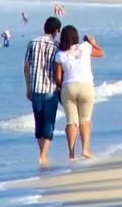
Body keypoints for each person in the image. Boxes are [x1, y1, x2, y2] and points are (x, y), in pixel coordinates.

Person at [53, 25, 104, 161]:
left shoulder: (60, 54)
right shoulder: (85, 47)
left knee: (71, 122)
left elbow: (58, 77)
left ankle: (71, 153)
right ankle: (85, 150)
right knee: (85, 120)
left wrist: (59, 87)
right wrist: (93, 43)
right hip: (86, 86)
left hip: (68, 87)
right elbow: (100, 53)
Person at [22, 16, 62, 167]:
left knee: (38, 122)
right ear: (56, 31)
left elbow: (26, 66)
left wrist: (27, 87)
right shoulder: (57, 46)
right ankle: (43, 155)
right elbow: (59, 68)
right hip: (51, 88)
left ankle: (42, 154)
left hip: (35, 88)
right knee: (49, 122)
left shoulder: (32, 43)